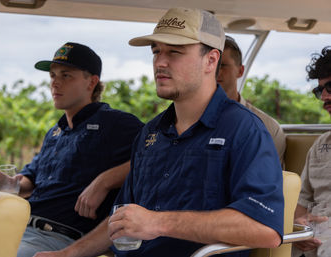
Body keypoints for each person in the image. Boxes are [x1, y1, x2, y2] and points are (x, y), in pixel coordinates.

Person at [34, 8, 284, 257]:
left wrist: (158, 222)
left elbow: (264, 227)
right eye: (156, 52)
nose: (160, 62)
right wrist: (66, 254)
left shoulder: (244, 129)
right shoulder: (150, 133)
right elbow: (119, 220)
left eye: (175, 51)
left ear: (211, 60)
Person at [0, 42, 144, 257]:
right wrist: (10, 184)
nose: (55, 83)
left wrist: (105, 180)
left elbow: (156, 156)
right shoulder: (54, 133)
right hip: (16, 227)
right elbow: (29, 180)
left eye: (66, 75)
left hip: (58, 239)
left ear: (92, 82)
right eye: (52, 75)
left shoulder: (115, 124)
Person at [217, 36, 286, 165]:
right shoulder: (184, 121)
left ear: (240, 71)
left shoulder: (266, 127)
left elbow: (269, 180)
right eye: (210, 64)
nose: (215, 72)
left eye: (222, 66)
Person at [293, 46, 331, 257]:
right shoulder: (320, 145)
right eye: (319, 90)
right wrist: (299, 224)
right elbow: (303, 201)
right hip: (313, 243)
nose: (324, 96)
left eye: (330, 87)